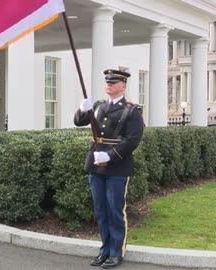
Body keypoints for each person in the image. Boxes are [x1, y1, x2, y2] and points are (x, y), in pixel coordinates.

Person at [74, 69, 144, 268]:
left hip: (117, 166)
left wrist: (110, 155)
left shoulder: (132, 111)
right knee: (100, 210)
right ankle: (104, 250)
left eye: (113, 82)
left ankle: (116, 252)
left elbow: (132, 140)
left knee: (114, 210)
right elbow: (79, 122)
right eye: (107, 82)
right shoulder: (97, 106)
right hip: (95, 164)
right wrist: (82, 109)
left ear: (123, 85)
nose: (109, 85)